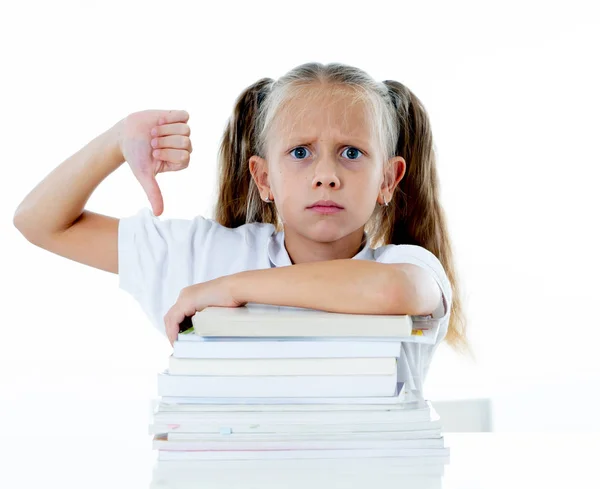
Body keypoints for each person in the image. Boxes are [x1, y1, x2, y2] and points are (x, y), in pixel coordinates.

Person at [13, 61, 470, 392]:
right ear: (263, 178)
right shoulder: (204, 254)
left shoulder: (405, 265)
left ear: (387, 181)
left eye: (352, 153)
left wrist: (227, 289)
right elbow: (40, 222)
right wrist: (116, 140)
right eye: (300, 152)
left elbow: (393, 294)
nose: (326, 174)